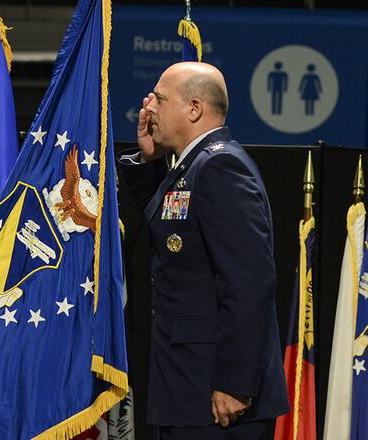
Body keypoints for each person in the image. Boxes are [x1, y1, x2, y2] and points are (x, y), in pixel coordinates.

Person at [118, 62, 289, 439]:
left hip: (219, 396)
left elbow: (249, 284)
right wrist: (148, 162)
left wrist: (235, 382)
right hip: (189, 387)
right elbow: (169, 231)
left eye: (160, 100)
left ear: (194, 108)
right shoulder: (193, 165)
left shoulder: (220, 166)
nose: (149, 109)